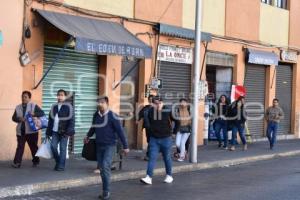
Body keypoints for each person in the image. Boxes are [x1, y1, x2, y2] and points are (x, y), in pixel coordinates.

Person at [84, 96, 129, 200]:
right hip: (99, 145)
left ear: (107, 103)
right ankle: (105, 191)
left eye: (102, 102)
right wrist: (88, 136)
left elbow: (120, 132)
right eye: (98, 102)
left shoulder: (113, 116)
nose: (100, 104)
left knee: (105, 166)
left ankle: (106, 191)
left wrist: (126, 146)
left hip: (110, 145)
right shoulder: (96, 115)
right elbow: (93, 127)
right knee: (102, 168)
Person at [140, 96, 176, 185]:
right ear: (152, 104)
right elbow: (145, 121)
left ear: (162, 103)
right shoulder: (149, 112)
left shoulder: (167, 111)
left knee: (166, 157)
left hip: (166, 138)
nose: (158, 105)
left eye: (160, 103)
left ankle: (169, 175)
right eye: (156, 103)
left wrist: (174, 132)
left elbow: (177, 120)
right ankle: (148, 177)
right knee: (152, 157)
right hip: (154, 139)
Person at [11, 91, 45, 168]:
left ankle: (36, 161)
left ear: (29, 98)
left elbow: (42, 113)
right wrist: (18, 119)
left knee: (33, 147)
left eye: (25, 97)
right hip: (21, 131)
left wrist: (34, 114)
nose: (23, 98)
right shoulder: (18, 107)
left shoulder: (33, 106)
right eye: (22, 96)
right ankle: (17, 163)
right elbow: (13, 118)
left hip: (32, 131)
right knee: (20, 147)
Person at [46, 89, 75, 171]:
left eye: (62, 95)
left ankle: (61, 166)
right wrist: (48, 132)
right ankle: (58, 161)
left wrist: (68, 132)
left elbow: (72, 120)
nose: (60, 96)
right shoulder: (54, 106)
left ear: (65, 97)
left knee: (63, 148)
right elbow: (50, 120)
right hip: (54, 131)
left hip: (64, 131)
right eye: (58, 95)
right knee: (53, 147)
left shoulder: (69, 106)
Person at [136, 94, 154, 161]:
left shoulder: (156, 108)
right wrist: (138, 120)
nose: (150, 100)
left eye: (152, 99)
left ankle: (149, 155)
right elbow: (140, 114)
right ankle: (150, 154)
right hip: (147, 127)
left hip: (154, 128)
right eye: (149, 99)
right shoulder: (146, 108)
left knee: (152, 141)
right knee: (149, 141)